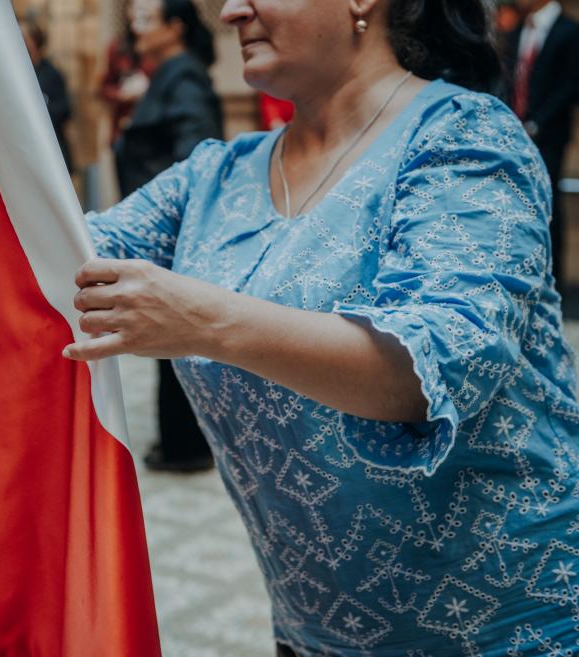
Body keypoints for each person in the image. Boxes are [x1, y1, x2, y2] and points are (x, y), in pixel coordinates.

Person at [66, 0, 579, 654]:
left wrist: (204, 321)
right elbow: (55, 258)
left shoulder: (464, 137)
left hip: (512, 632)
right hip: (315, 636)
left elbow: (430, 368)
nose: (229, 11)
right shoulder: (212, 178)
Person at [115, 0, 221, 472]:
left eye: (147, 19)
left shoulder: (184, 76)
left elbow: (195, 158)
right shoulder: (167, 73)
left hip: (171, 240)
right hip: (158, 241)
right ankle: (179, 443)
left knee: (174, 340)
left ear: (175, 28)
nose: (137, 27)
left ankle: (186, 448)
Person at [501, 0, 579, 287]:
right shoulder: (517, 30)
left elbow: (570, 86)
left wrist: (538, 123)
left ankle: (552, 283)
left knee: (548, 207)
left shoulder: (569, 31)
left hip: (549, 137)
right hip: (515, 134)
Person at [21, 19, 74, 173]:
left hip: (49, 152)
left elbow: (64, 110)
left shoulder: (51, 74)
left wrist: (38, 109)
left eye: (25, 39)